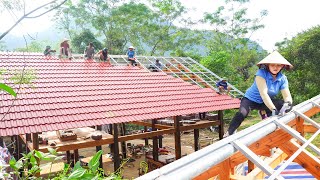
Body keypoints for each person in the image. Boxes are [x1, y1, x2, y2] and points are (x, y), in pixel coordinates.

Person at [224, 51, 294, 138]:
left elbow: (287, 95)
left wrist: (288, 104)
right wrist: (273, 110)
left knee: (282, 104)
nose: (275, 67)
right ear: (268, 65)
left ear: (282, 66)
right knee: (242, 113)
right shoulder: (261, 74)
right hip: (251, 100)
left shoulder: (283, 78)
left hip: (265, 102)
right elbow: (264, 94)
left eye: (278, 65)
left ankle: (268, 119)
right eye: (272, 65)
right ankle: (229, 132)